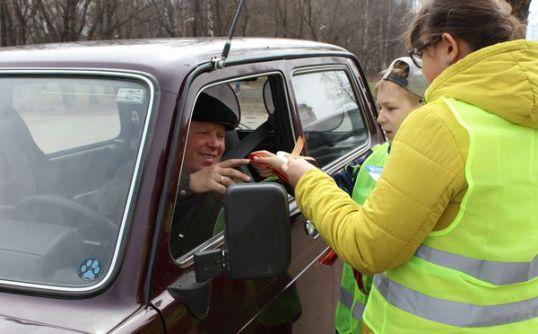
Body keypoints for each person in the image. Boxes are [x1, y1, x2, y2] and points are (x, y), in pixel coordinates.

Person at [253, 0, 538, 332]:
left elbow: (369, 247)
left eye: (420, 55)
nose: (423, 72)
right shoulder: (525, 120)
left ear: (448, 46)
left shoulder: (442, 123)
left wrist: (306, 179)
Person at [331, 57, 427, 334]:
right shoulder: (372, 158)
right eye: (378, 108)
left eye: (391, 108)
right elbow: (329, 188)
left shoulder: (433, 172)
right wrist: (288, 172)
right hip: (351, 324)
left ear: (424, 109)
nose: (380, 118)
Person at [170, 91, 251, 257]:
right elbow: (109, 203)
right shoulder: (147, 170)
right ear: (179, 138)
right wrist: (187, 184)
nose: (215, 144)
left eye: (220, 136)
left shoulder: (231, 188)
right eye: (204, 134)